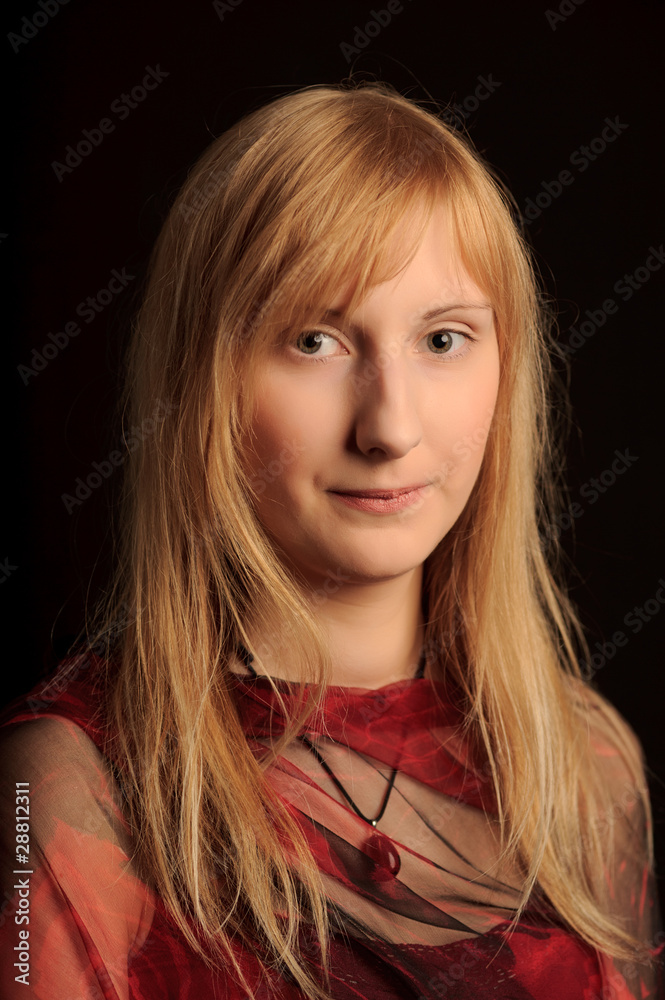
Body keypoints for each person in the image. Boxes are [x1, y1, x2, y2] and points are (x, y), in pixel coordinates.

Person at [0, 80, 661, 1000]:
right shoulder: (73, 788)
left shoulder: (584, 766)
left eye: (442, 340)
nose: (389, 427)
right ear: (203, 382)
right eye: (314, 341)